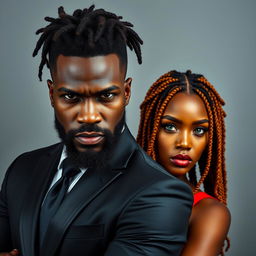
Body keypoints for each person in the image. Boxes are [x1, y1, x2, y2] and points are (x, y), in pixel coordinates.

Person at [0, 6, 193, 256]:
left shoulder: (159, 193)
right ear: (51, 94)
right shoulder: (21, 170)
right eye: (70, 96)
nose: (89, 115)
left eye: (106, 96)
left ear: (126, 93)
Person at [137, 70, 231, 256]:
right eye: (170, 127)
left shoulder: (208, 213)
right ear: (151, 128)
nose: (185, 143)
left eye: (198, 131)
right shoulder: (115, 189)